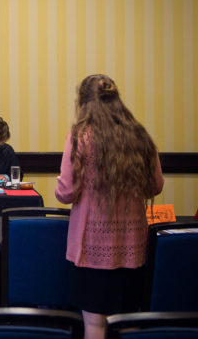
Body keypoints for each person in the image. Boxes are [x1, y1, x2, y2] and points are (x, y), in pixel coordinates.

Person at [55, 74, 164, 339]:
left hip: (91, 248)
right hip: (133, 246)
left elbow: (65, 193)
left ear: (83, 102)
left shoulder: (81, 136)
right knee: (128, 323)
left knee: (95, 325)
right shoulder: (138, 135)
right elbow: (155, 186)